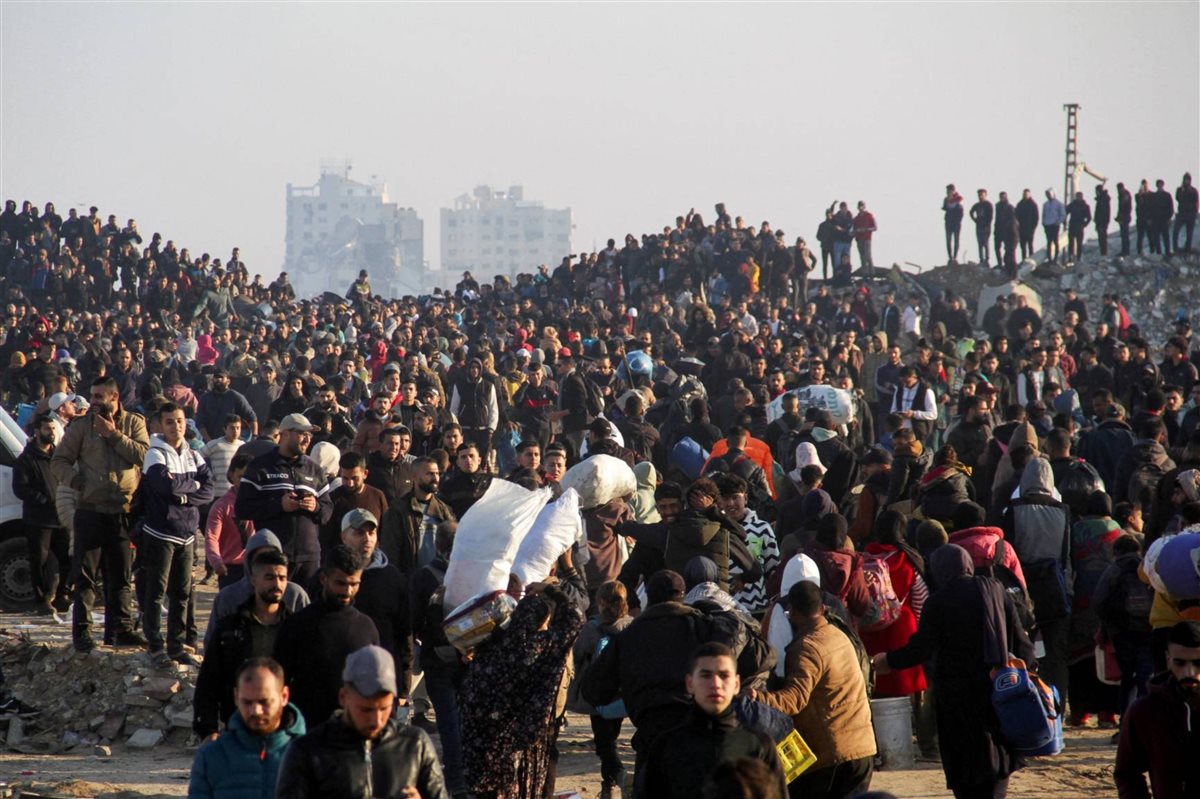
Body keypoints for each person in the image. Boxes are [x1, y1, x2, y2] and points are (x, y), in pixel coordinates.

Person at [874, 545, 1036, 799]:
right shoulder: (995, 589)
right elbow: (1020, 640)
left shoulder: (938, 601)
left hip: (957, 699)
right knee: (996, 761)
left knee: (966, 769)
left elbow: (920, 649)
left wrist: (888, 661)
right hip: (997, 692)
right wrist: (1028, 674)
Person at [50, 376, 150, 652]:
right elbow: (59, 461)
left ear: (114, 397)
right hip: (90, 510)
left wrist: (113, 435)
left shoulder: (134, 423)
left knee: (120, 577)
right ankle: (82, 634)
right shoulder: (81, 427)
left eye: (99, 396)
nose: (92, 402)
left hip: (122, 511)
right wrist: (77, 482)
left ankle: (121, 630)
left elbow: (144, 456)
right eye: (92, 396)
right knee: (85, 577)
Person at [751, 581, 876, 799]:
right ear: (822, 607)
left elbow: (794, 700)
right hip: (863, 747)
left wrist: (757, 699)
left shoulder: (807, 647)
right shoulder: (839, 635)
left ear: (794, 612)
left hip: (833, 756)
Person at [461, 582, 585, 799]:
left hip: (479, 747)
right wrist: (552, 591)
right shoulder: (538, 648)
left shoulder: (487, 650)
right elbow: (575, 619)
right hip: (517, 745)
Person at [277, 645, 449, 799]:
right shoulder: (309, 751)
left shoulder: (415, 745)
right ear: (344, 698)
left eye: (384, 709)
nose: (376, 720)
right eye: (366, 709)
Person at [645, 641, 789, 799]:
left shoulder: (759, 745)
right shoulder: (666, 747)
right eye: (706, 675)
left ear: (736, 684)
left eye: (724, 675)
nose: (715, 684)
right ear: (690, 683)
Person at [272, 544, 380, 726]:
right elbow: (278, 680)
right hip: (306, 733)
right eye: (340, 583)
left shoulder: (366, 627)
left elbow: (376, 683)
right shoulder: (298, 625)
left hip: (352, 734)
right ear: (323, 578)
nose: (348, 591)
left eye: (354, 584)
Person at [140, 402, 214, 664]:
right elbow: (164, 488)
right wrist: (191, 488)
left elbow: (209, 487)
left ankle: (176, 645)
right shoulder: (155, 454)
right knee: (156, 592)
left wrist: (184, 493)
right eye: (170, 421)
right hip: (161, 532)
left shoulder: (193, 455)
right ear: (161, 425)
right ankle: (155, 645)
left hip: (188, 533)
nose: (176, 426)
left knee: (182, 593)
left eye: (180, 421)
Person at [193, 548, 293, 739]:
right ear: (253, 579)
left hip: (284, 729)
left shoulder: (295, 628)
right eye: (270, 577)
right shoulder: (230, 628)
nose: (277, 584)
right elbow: (209, 680)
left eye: (282, 578)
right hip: (238, 725)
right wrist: (207, 729)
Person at [235, 412, 333, 583]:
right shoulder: (260, 466)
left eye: (310, 434)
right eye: (302, 434)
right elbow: (242, 508)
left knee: (307, 607)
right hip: (274, 556)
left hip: (309, 558)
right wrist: (279, 505)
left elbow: (327, 511)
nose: (307, 439)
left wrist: (315, 506)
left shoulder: (314, 469)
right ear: (285, 434)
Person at [188, 657, 306, 799]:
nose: (255, 711)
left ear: (284, 696)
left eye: (264, 702)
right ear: (236, 697)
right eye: (247, 702)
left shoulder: (312, 757)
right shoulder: (211, 758)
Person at [1113, 621, 1200, 799]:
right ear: (1168, 659)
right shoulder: (1145, 711)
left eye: (1198, 663)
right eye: (1180, 663)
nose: (1189, 672)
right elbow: (1127, 772)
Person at [337, 508, 413, 699]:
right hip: (340, 682)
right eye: (359, 533)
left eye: (371, 533)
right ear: (344, 536)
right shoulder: (329, 577)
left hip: (383, 679)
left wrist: (404, 683)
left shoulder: (392, 578)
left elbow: (404, 634)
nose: (367, 539)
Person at [13, 414, 70, 615]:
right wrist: (41, 497)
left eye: (53, 429)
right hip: (38, 519)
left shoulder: (58, 457)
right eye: (47, 429)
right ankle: (42, 599)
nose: (51, 433)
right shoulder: (26, 459)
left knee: (68, 558)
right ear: (37, 431)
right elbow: (20, 488)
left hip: (60, 517)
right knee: (39, 561)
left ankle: (62, 595)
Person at [377, 455, 455, 575]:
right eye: (429, 474)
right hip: (410, 582)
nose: (435, 478)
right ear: (414, 477)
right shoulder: (398, 510)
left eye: (437, 473)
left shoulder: (444, 510)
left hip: (439, 581)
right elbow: (391, 551)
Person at [969, 189, 993, 265]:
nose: (980, 196)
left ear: (985, 195)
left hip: (986, 227)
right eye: (979, 195)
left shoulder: (988, 205)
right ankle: (981, 259)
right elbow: (971, 212)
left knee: (985, 243)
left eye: (982, 195)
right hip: (979, 226)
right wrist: (975, 220)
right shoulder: (977, 205)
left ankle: (987, 259)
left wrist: (987, 224)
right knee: (980, 243)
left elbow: (990, 216)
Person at [1042, 189, 1066, 264]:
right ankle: (1049, 258)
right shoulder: (1045, 204)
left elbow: (1063, 215)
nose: (1048, 195)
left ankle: (1056, 257)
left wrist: (1058, 222)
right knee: (1049, 242)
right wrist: (1044, 223)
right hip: (1047, 225)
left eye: (1049, 194)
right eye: (1047, 194)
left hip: (1054, 225)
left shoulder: (1058, 204)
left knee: (1055, 241)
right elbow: (1043, 214)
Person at [942, 184, 964, 264]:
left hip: (956, 223)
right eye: (947, 191)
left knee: (956, 240)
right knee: (948, 240)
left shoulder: (958, 199)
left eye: (949, 190)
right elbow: (945, 208)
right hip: (948, 222)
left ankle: (955, 257)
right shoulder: (946, 200)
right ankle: (950, 258)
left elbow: (961, 212)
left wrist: (958, 220)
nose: (948, 192)